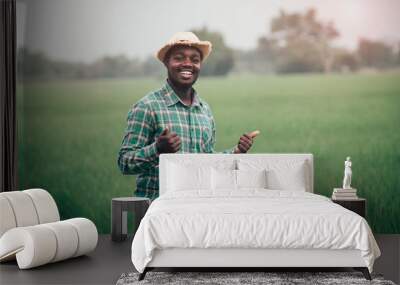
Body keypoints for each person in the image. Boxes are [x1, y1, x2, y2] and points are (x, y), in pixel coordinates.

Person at [118, 32, 256, 199]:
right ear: (166, 63)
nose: (187, 64)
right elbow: (125, 163)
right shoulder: (147, 107)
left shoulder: (204, 110)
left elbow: (207, 160)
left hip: (197, 208)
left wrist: (237, 151)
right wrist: (158, 149)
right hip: (157, 210)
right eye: (179, 58)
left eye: (195, 60)